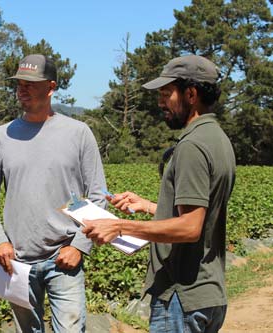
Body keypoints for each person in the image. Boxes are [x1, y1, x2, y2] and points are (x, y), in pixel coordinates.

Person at [83, 55, 236, 332]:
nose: (160, 102)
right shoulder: (217, 139)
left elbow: (190, 227)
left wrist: (118, 226)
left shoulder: (192, 146)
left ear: (191, 94)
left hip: (181, 296)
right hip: (208, 293)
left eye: (167, 94)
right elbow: (204, 213)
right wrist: (150, 207)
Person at [0, 54, 106, 332]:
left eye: (30, 84)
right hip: (16, 262)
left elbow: (97, 195)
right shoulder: (0, 137)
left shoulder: (79, 133)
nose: (22, 89)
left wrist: (80, 246)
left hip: (64, 257)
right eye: (19, 83)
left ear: (51, 87)